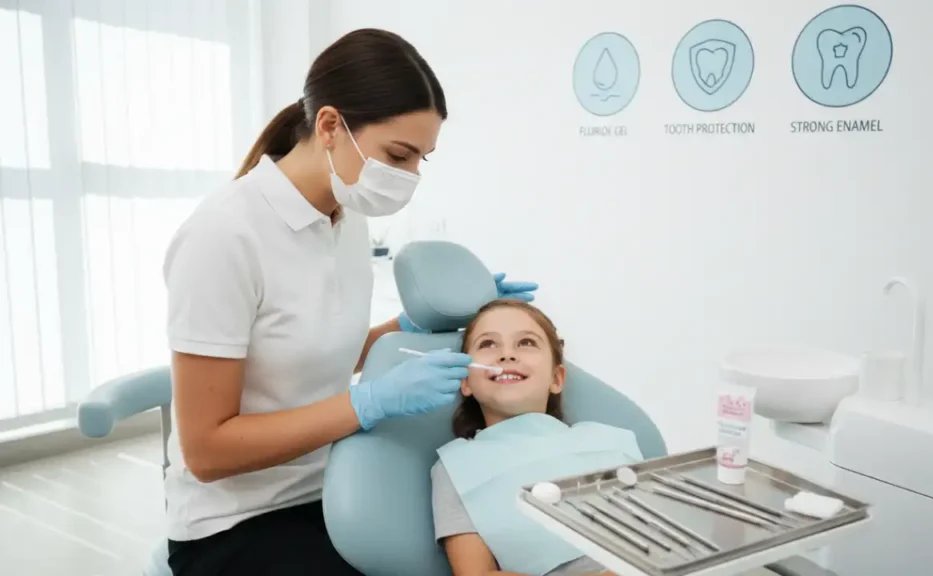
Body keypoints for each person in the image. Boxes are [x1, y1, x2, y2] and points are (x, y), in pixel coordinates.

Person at [161, 29, 537, 576]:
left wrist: (406, 327)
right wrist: (367, 404)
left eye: (421, 160)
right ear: (331, 126)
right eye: (398, 155)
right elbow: (207, 451)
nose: (409, 177)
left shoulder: (346, 217)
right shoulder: (223, 237)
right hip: (238, 523)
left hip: (337, 486)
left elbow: (306, 352)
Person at [431, 299, 643, 576]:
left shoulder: (614, 441)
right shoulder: (455, 466)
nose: (507, 355)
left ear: (557, 378)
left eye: (526, 343)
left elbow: (670, 539)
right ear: (467, 382)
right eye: (487, 344)